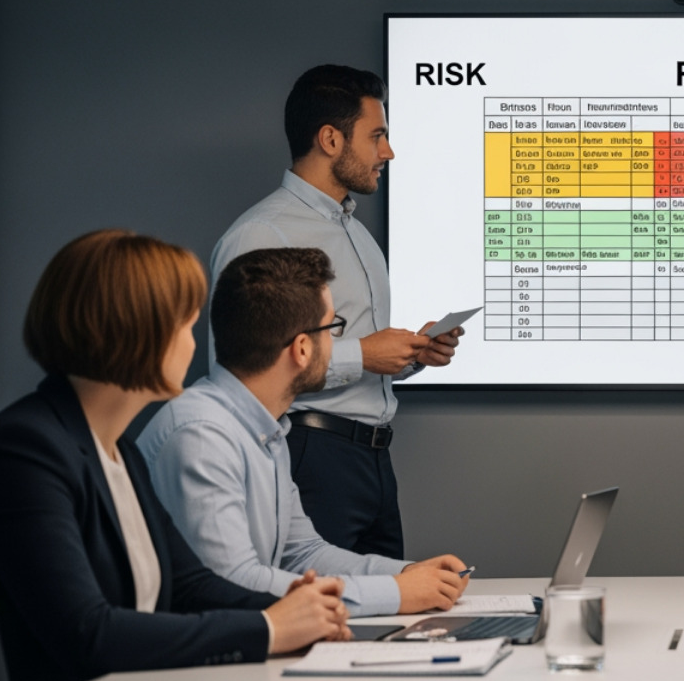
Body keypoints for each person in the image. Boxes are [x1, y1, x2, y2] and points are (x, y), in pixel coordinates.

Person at [0, 231, 350, 681]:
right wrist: (270, 627)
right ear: (138, 331)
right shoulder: (22, 451)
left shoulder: (117, 449)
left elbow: (190, 585)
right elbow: (89, 632)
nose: (193, 346)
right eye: (186, 326)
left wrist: (298, 607)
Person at [211, 65, 464, 558]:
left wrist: (413, 354)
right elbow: (237, 374)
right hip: (311, 458)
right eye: (377, 136)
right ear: (330, 139)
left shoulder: (356, 232)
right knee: (317, 616)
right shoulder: (262, 235)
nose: (387, 152)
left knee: (391, 614)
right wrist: (365, 355)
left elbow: (354, 353)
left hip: (373, 464)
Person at [139, 247, 472, 617]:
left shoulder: (266, 428)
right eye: (333, 328)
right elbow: (232, 582)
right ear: (301, 348)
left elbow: (303, 553)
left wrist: (409, 574)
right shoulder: (202, 436)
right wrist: (394, 592)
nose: (335, 343)